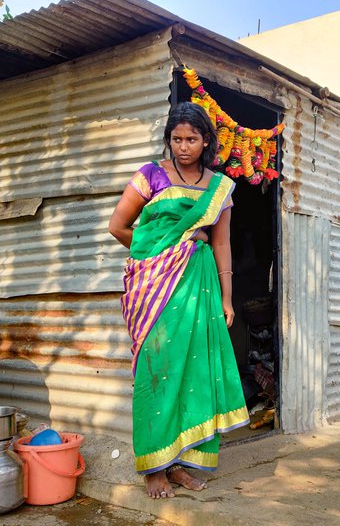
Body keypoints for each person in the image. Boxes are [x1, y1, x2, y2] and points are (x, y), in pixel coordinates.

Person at [109, 102, 250, 499]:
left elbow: (221, 243)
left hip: (199, 284)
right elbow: (118, 225)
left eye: (191, 139)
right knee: (157, 369)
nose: (183, 146)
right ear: (169, 140)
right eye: (177, 139)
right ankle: (155, 467)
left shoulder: (219, 186)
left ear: (206, 141)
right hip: (154, 287)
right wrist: (156, 251)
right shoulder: (150, 175)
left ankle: (184, 465)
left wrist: (228, 297)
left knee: (195, 372)